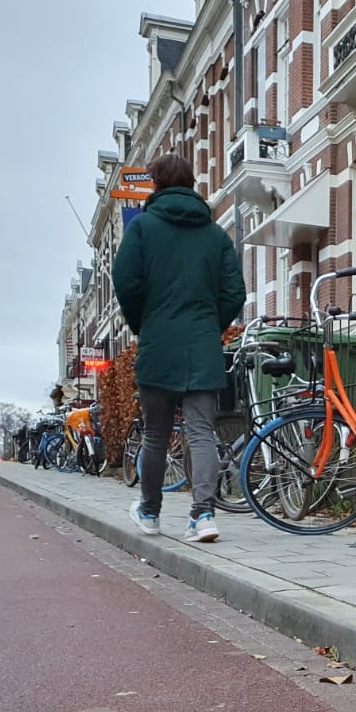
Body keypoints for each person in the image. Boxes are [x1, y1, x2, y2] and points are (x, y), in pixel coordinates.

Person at [112, 152, 247, 543]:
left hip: (158, 344)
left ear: (156, 184)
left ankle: (150, 513)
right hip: (202, 346)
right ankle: (203, 516)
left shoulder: (142, 229)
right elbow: (234, 291)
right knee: (202, 433)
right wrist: (210, 325)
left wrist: (144, 322)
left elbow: (126, 282)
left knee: (156, 435)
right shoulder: (216, 235)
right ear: (191, 184)